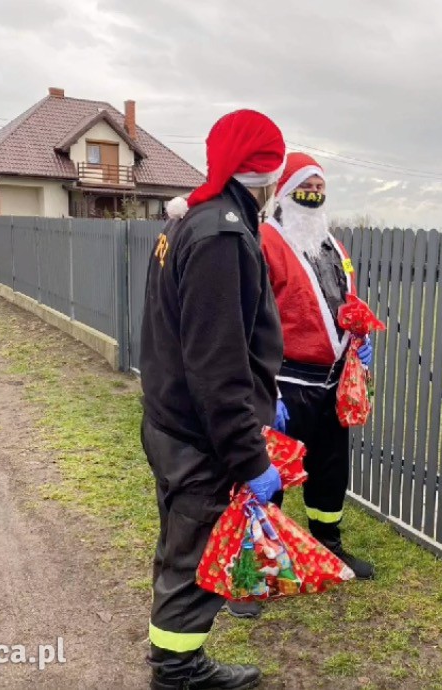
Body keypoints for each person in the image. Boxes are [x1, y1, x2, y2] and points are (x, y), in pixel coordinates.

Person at [139, 109, 286, 690]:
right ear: (267, 173)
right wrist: (250, 460)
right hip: (200, 436)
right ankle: (177, 673)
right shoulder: (222, 235)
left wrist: (261, 394)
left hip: (172, 422)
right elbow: (216, 365)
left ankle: (176, 661)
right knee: (191, 559)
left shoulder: (192, 220)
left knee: (181, 543)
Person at [225, 153, 374, 620]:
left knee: (330, 471)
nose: (313, 195)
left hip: (331, 382)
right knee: (265, 478)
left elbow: (341, 302)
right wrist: (262, 386)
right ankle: (249, 575)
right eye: (304, 188)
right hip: (284, 381)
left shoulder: (335, 247)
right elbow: (247, 323)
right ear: (285, 194)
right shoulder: (264, 243)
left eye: (319, 188)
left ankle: (328, 544)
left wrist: (358, 340)